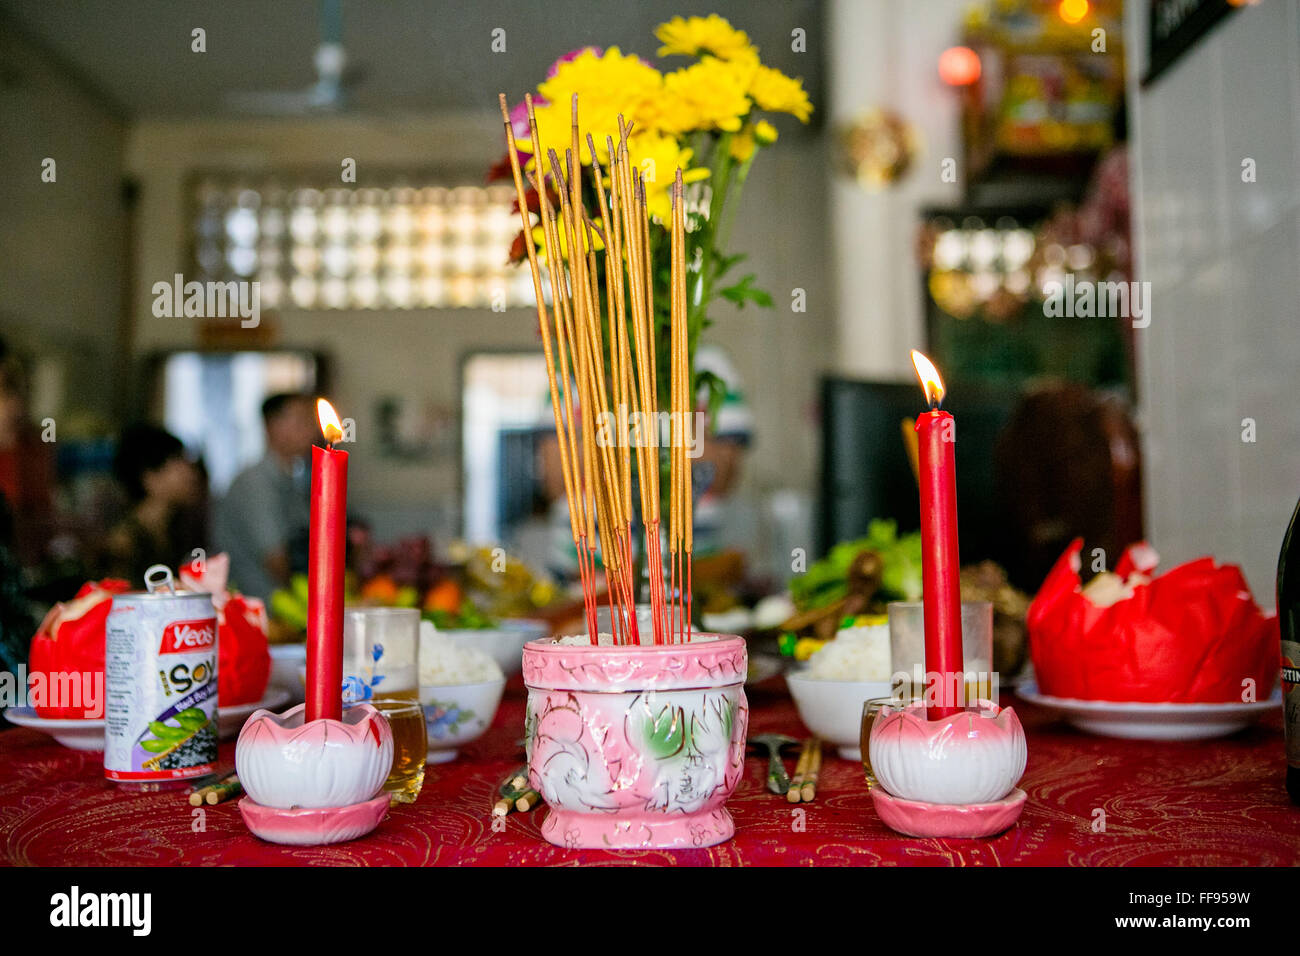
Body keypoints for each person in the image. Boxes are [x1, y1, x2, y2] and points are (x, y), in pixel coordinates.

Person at [213, 392, 315, 602]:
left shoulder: (292, 479)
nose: (312, 429)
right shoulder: (255, 483)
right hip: (258, 606)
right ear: (272, 426)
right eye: (303, 420)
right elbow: (275, 560)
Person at [104, 424, 203, 584]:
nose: (192, 472)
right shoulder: (123, 545)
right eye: (178, 460)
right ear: (149, 477)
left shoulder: (175, 531)